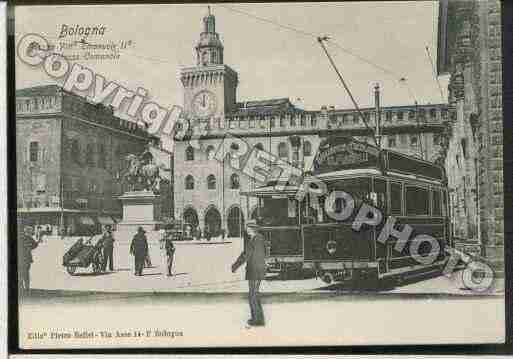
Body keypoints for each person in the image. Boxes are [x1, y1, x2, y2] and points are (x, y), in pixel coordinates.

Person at [231, 220, 266, 327]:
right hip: (258, 270)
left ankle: (257, 320)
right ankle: (259, 318)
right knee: (255, 294)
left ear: (251, 229)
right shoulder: (259, 238)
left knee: (252, 295)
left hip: (254, 270)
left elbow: (246, 254)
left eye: (247, 228)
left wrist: (235, 265)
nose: (246, 230)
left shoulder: (253, 240)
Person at [19, 225, 39, 293]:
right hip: (26, 258)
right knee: (26, 273)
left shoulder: (22, 238)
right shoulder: (28, 238)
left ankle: (21, 287)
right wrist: (37, 242)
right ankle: (26, 288)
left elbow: (34, 245)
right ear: (28, 232)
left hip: (22, 258)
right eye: (30, 231)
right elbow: (34, 245)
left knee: (22, 273)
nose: (31, 232)